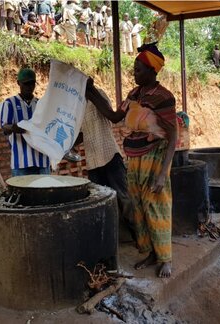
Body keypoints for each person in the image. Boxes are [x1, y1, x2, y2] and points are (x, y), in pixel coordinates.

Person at [86, 42, 177, 278]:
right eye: (134, 69)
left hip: (155, 157)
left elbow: (173, 134)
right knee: (139, 208)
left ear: (151, 71)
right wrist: (91, 92)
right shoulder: (134, 95)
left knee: (157, 206)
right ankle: (150, 252)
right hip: (135, 159)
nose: (133, 73)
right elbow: (114, 117)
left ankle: (165, 257)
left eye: (138, 69)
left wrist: (162, 173)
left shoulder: (163, 97)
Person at [76, 88, 135, 241]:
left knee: (124, 198)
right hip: (93, 161)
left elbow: (112, 116)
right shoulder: (76, 105)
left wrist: (90, 91)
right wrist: (65, 145)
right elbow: (83, 133)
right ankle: (110, 239)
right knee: (100, 202)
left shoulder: (99, 94)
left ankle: (138, 236)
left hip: (109, 155)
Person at [0, 68, 50, 176]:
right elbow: (4, 127)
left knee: (44, 191)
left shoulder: (40, 104)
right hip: (21, 161)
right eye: (26, 84)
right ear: (18, 83)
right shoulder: (10, 103)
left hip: (41, 159)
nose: (29, 87)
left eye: (32, 83)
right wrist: (14, 127)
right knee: (21, 192)